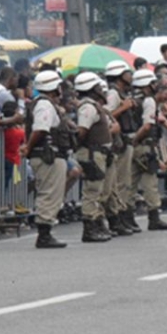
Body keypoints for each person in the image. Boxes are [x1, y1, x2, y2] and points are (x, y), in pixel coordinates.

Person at [20, 69, 73, 248]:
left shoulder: (44, 103)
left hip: (48, 154)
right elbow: (41, 128)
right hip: (48, 155)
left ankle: (46, 232)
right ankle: (44, 234)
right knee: (49, 193)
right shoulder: (45, 105)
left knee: (50, 192)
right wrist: (29, 146)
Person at [73, 72, 117, 243]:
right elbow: (82, 131)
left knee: (99, 190)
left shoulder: (93, 105)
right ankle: (89, 228)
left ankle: (97, 223)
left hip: (99, 153)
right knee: (92, 190)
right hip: (93, 153)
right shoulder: (88, 107)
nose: (101, 90)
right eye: (98, 87)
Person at [127, 69, 167, 230]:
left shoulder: (132, 99)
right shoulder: (149, 101)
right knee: (150, 181)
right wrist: (136, 140)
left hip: (133, 146)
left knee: (129, 182)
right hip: (144, 145)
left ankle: (127, 217)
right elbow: (147, 126)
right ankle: (154, 217)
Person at [103, 60, 141, 235]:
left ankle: (122, 215)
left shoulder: (122, 92)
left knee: (124, 182)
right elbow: (106, 115)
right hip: (120, 142)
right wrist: (123, 107)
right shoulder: (113, 94)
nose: (130, 76)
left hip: (126, 141)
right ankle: (117, 216)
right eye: (127, 73)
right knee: (119, 182)